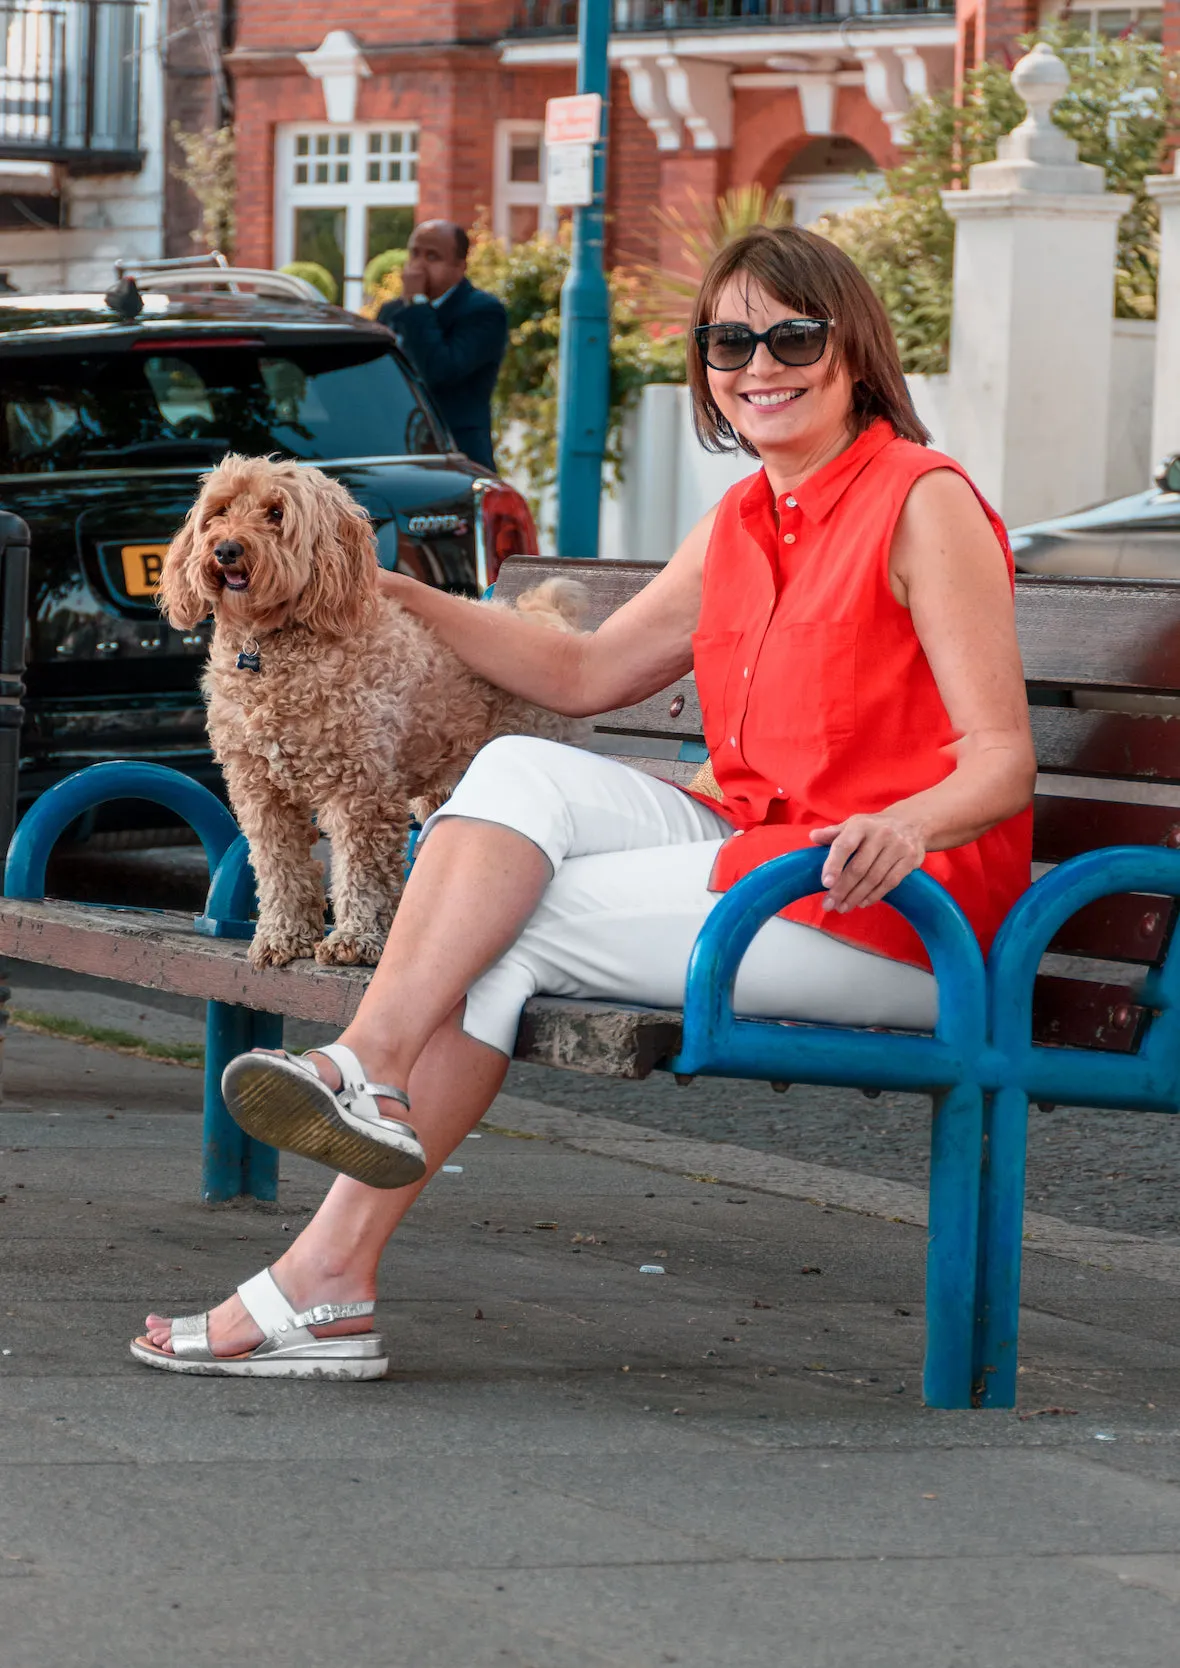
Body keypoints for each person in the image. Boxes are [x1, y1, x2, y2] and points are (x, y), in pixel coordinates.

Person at [132, 225, 1036, 1377]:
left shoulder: (922, 502)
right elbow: (582, 674)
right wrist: (391, 587)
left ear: (853, 348)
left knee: (502, 924)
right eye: (728, 340)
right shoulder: (744, 518)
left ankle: (327, 1263)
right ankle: (356, 1102)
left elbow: (1003, 760)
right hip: (766, 851)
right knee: (511, 777)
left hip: (894, 907)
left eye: (791, 336)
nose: (758, 364)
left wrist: (907, 822)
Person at [376, 220, 508, 472]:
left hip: (457, 455)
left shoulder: (483, 312)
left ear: (460, 266)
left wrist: (416, 303)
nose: (419, 265)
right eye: (414, 253)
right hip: (395, 451)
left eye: (432, 256)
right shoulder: (392, 311)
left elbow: (439, 370)